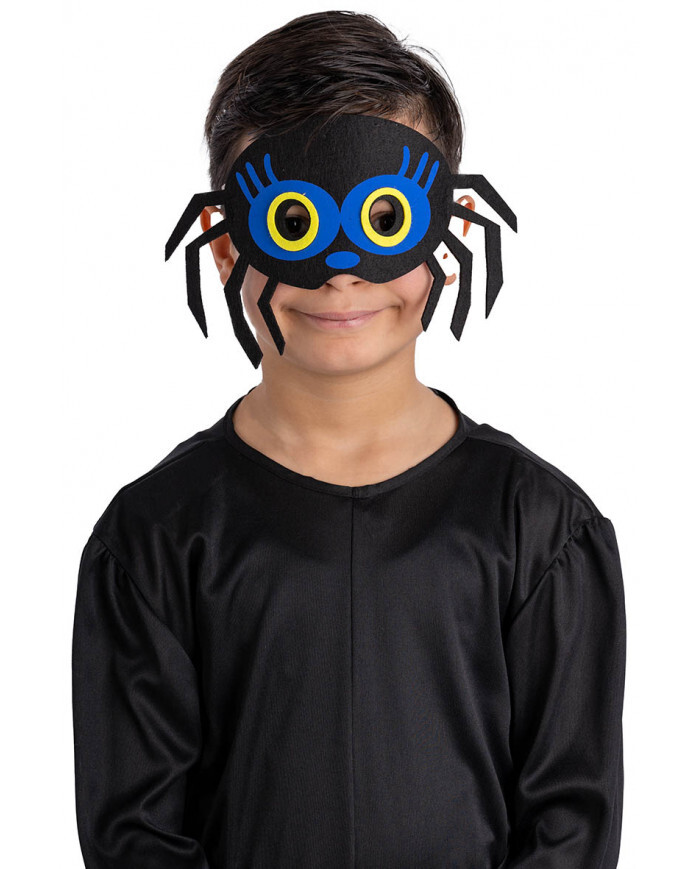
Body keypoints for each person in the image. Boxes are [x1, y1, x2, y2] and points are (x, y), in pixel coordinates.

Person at [71, 11, 627, 869]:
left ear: (451, 229)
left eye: (384, 216)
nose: (341, 270)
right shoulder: (153, 537)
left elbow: (569, 827)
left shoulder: (543, 530)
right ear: (223, 246)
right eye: (293, 221)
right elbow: (135, 835)